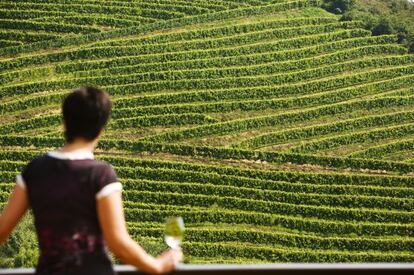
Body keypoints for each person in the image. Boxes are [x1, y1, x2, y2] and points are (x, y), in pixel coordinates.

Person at [0, 86, 182, 274]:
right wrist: (157, 266)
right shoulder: (101, 175)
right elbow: (118, 243)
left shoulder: (35, 170)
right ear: (101, 129)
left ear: (65, 123)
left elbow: (2, 230)